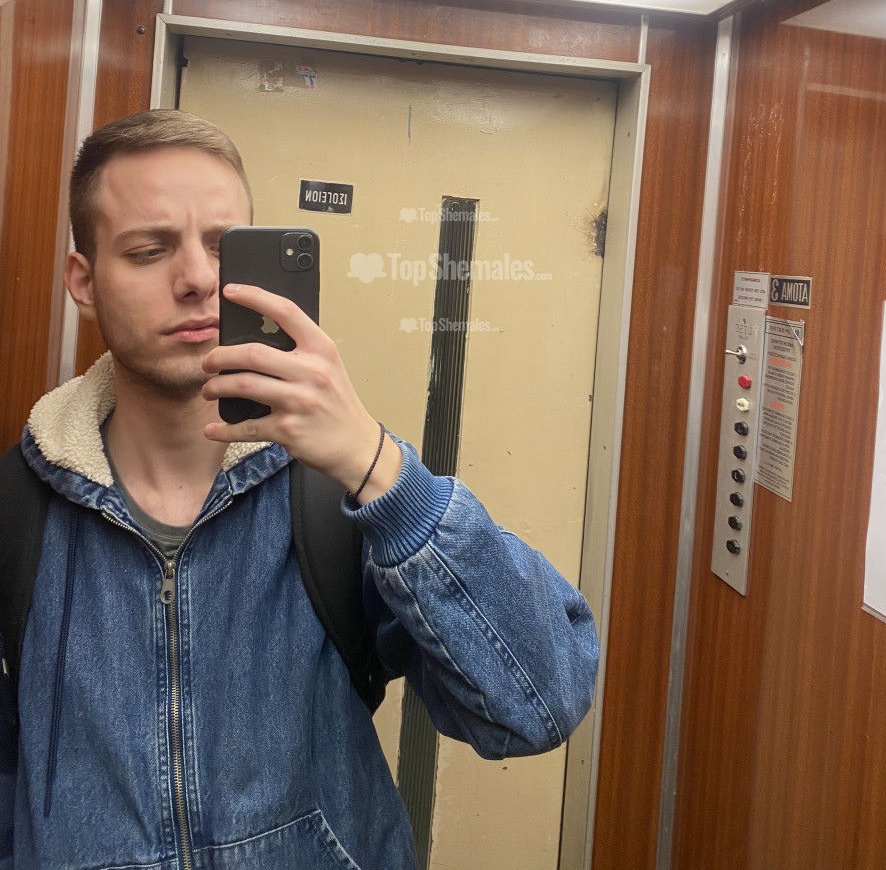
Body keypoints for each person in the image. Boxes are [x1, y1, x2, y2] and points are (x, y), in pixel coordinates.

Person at [0, 110, 599, 870]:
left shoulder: (338, 501)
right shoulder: (17, 513)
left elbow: (539, 705)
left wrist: (379, 469)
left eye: (226, 247)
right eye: (149, 250)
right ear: (84, 281)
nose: (198, 279)